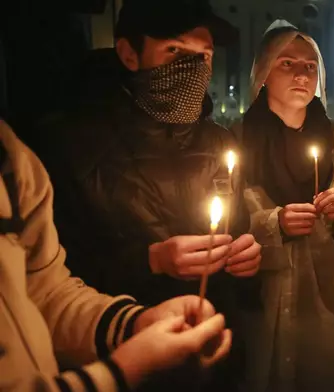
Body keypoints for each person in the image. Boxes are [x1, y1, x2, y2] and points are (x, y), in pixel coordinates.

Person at [33, 0, 259, 390]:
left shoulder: (221, 142)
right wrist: (149, 260)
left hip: (212, 354)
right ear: (128, 53)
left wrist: (246, 256)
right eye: (174, 51)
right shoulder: (68, 145)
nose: (192, 69)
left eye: (202, 56)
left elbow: (235, 230)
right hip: (123, 362)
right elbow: (48, 277)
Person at [0, 118, 232, 391]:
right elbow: (83, 252)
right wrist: (125, 370)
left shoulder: (11, 156)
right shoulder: (76, 142)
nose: (197, 73)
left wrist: (133, 324)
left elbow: (43, 289)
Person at [232, 20, 334, 392]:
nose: (301, 74)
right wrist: (272, 224)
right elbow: (217, 219)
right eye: (287, 63)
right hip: (261, 294)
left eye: (310, 66)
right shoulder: (234, 139)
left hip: (324, 292)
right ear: (262, 72)